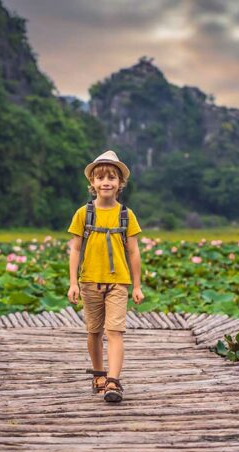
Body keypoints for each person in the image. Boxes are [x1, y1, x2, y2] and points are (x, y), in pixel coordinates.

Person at [66, 150, 144, 403]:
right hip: (90, 281)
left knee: (115, 331)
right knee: (94, 332)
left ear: (121, 183)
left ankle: (113, 381)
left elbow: (133, 251)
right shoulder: (83, 214)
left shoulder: (126, 215)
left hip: (118, 282)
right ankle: (98, 374)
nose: (106, 182)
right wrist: (73, 282)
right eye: (100, 178)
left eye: (112, 177)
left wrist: (137, 286)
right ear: (93, 184)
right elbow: (75, 248)